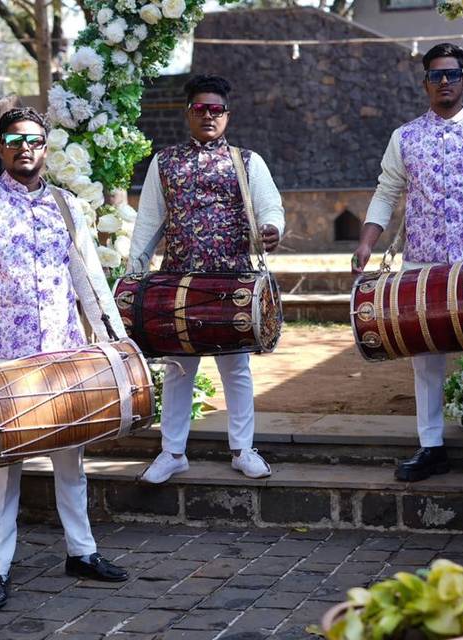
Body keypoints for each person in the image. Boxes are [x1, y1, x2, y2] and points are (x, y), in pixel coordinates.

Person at [0, 107, 129, 611]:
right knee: (0, 470)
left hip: (66, 353)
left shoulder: (68, 207)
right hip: (6, 362)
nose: (24, 147)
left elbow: (88, 278)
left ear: (45, 147)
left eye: (33, 139)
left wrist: (113, 337)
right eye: (13, 139)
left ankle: (82, 552)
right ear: (0, 148)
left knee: (73, 459)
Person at [350, 43, 463, 484]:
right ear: (426, 83)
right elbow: (386, 190)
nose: (444, 81)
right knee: (424, 360)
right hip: (419, 268)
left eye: (451, 74)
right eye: (436, 75)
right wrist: (367, 243)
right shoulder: (405, 137)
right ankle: (430, 447)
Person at [127, 74, 285, 485]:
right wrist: (133, 278)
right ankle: (172, 452)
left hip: (232, 283)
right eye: (201, 109)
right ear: (188, 114)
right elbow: (147, 224)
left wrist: (272, 229)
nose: (209, 116)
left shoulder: (246, 161)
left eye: (217, 109)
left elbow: (271, 208)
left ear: (227, 115)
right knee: (180, 369)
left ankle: (243, 449)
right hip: (177, 283)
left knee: (236, 368)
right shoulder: (165, 162)